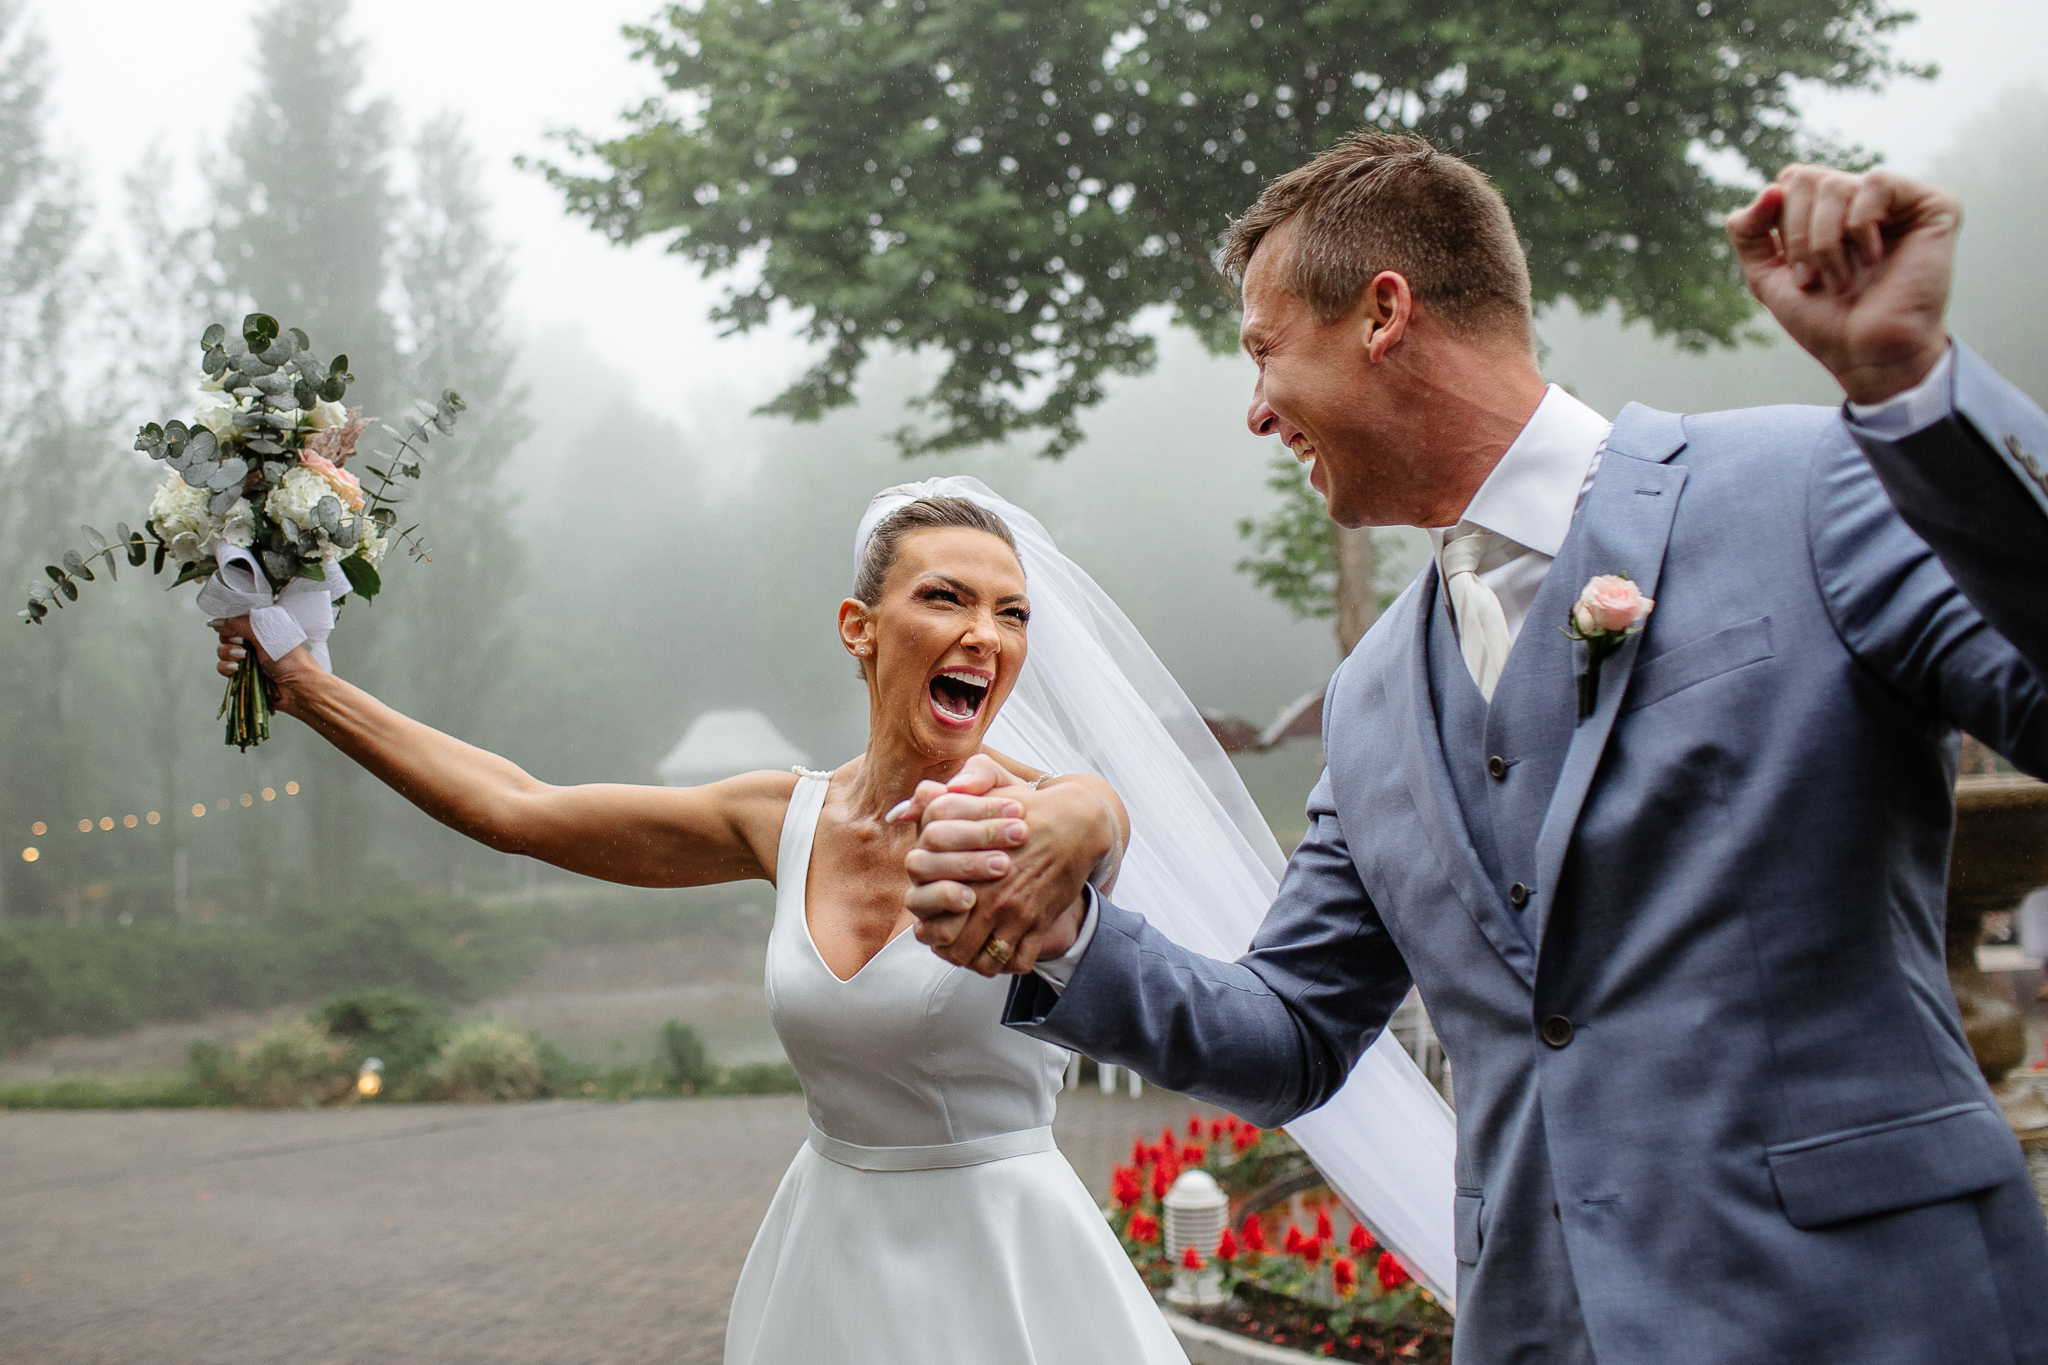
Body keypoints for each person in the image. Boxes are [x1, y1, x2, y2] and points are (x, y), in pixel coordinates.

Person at [899, 131, 2048, 1364]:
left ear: (1381, 314)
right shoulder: (1374, 694)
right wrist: (1061, 931)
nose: (1251, 411)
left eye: (1262, 350)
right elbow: (1287, 1034)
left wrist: (1915, 391)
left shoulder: (1812, 486)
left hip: (1870, 1318)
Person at [208, 493, 1189, 1365]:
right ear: (858, 627)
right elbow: (514, 807)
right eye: (946, 599)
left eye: (1010, 613)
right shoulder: (779, 818)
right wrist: (303, 685)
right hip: (828, 1262)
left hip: (1005, 1272)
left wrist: (1084, 813)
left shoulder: (1042, 813)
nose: (984, 634)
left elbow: (1095, 819)